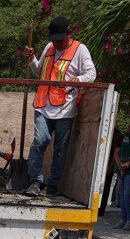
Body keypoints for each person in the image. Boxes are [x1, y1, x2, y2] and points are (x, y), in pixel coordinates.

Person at [22, 16, 96, 199]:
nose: (56, 43)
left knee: (60, 149)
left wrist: (78, 79)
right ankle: (35, 181)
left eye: (60, 40)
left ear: (69, 33)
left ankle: (52, 185)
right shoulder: (49, 47)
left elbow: (91, 73)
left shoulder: (80, 50)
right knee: (40, 140)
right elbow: (39, 71)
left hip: (65, 108)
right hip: (43, 105)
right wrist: (32, 59)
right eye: (54, 40)